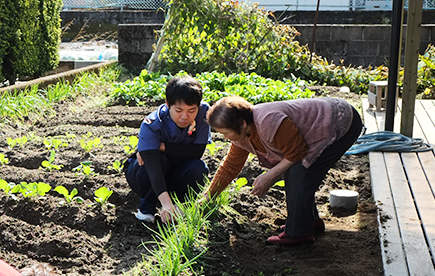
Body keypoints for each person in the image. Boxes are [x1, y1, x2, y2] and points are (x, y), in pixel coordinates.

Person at [205, 95, 363, 246]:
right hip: (320, 126)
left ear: (242, 124)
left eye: (225, 133)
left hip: (340, 120)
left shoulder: (267, 121)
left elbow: (297, 152)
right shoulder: (241, 137)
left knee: (299, 172)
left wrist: (269, 176)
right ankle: (309, 222)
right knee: (296, 170)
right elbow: (230, 167)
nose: (225, 137)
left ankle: (299, 233)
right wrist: (207, 197)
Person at [125, 75, 212, 224]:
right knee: (156, 160)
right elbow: (152, 167)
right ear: (167, 104)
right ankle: (146, 210)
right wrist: (165, 204)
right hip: (146, 176)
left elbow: (196, 152)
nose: (185, 116)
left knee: (199, 168)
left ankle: (181, 206)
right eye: (179, 110)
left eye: (192, 110)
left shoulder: (204, 113)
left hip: (176, 173)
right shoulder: (152, 123)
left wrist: (163, 146)